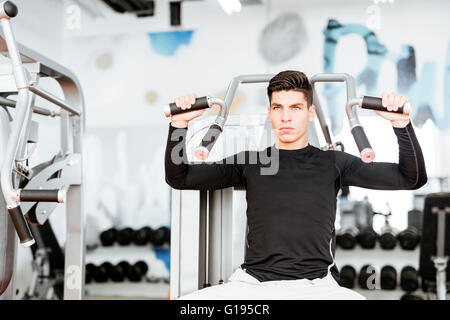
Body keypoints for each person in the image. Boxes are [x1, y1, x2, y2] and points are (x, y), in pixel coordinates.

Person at [164, 70, 427, 300]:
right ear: (270, 112)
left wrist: (401, 126)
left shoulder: (333, 162)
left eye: (296, 108)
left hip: (316, 287)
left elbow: (410, 179)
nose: (286, 117)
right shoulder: (251, 161)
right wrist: (179, 125)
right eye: (278, 108)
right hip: (252, 285)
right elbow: (180, 177)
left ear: (310, 112)